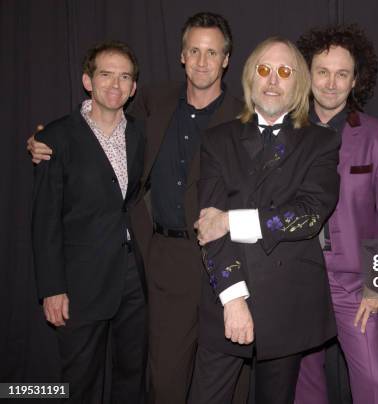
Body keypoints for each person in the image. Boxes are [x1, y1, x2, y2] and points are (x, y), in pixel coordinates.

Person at [28, 12, 243, 403]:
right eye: (193, 50)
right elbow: (46, 217)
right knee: (156, 379)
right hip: (156, 260)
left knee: (208, 375)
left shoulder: (244, 116)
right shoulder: (155, 104)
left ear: (226, 59)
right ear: (181, 55)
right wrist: (44, 140)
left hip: (219, 258)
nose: (201, 61)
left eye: (212, 52)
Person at [190, 36, 340, 404]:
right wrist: (234, 299)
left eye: (285, 71)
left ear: (299, 84)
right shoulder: (216, 139)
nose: (273, 80)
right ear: (250, 78)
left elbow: (306, 217)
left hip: (288, 304)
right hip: (224, 295)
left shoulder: (321, 142)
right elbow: (210, 226)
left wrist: (233, 220)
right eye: (264, 69)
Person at [294, 24, 378, 404]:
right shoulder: (285, 133)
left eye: (342, 74)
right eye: (322, 72)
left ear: (355, 80)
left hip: (356, 286)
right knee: (303, 385)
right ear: (307, 74)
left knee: (374, 385)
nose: (330, 83)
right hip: (297, 278)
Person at [31, 40, 146, 403]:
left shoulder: (143, 134)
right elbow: (44, 219)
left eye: (124, 77)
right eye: (106, 75)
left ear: (133, 87)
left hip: (135, 278)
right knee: (79, 380)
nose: (115, 85)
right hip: (79, 282)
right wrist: (51, 287)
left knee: (132, 375)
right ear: (87, 80)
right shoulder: (55, 138)